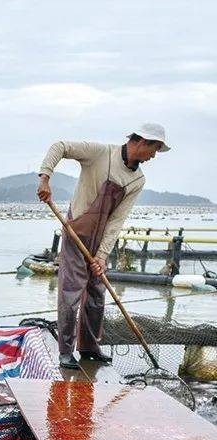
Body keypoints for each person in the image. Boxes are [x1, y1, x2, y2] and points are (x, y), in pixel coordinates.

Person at [37, 124, 169, 370]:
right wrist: (45, 177)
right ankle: (66, 351)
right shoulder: (99, 153)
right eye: (154, 150)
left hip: (100, 241)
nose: (153, 156)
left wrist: (101, 256)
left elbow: (116, 219)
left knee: (97, 294)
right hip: (77, 231)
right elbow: (60, 146)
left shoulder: (138, 180)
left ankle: (89, 347)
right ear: (142, 142)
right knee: (71, 291)